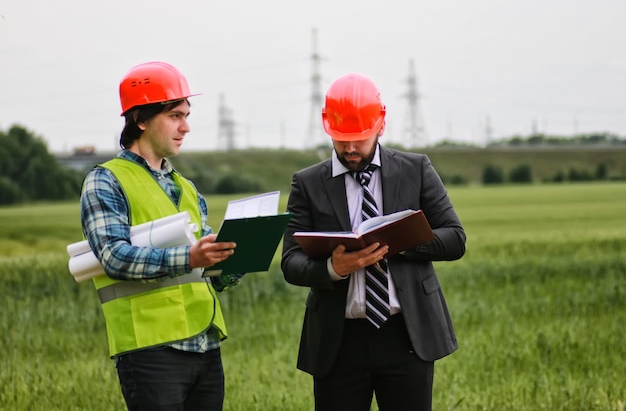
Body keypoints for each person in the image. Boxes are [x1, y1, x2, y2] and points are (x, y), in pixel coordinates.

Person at [281, 73, 466, 411]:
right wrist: (333, 268)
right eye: (340, 139)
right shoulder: (307, 183)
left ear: (381, 125)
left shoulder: (416, 169)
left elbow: (455, 239)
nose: (350, 149)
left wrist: (399, 241)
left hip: (407, 335)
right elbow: (291, 262)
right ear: (327, 128)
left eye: (359, 139)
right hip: (338, 342)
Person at [80, 61, 242, 411]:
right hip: (150, 350)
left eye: (186, 115)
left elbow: (211, 271)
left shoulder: (186, 187)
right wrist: (189, 258)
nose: (185, 126)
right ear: (140, 119)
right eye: (174, 116)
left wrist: (237, 259)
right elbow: (114, 257)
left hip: (205, 345)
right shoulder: (105, 180)